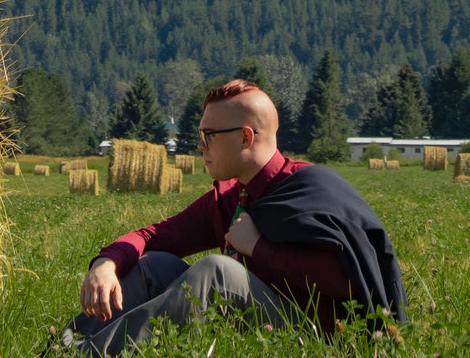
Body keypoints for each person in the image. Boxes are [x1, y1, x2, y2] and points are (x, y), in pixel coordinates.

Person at [64, 79, 405, 354]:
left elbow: (348, 280)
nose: (200, 146)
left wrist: (259, 249)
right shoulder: (230, 198)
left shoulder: (312, 188)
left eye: (208, 136)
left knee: (219, 272)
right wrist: (107, 263)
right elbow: (155, 235)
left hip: (317, 339)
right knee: (155, 264)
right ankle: (64, 349)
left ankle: (94, 355)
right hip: (257, 324)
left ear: (245, 137)